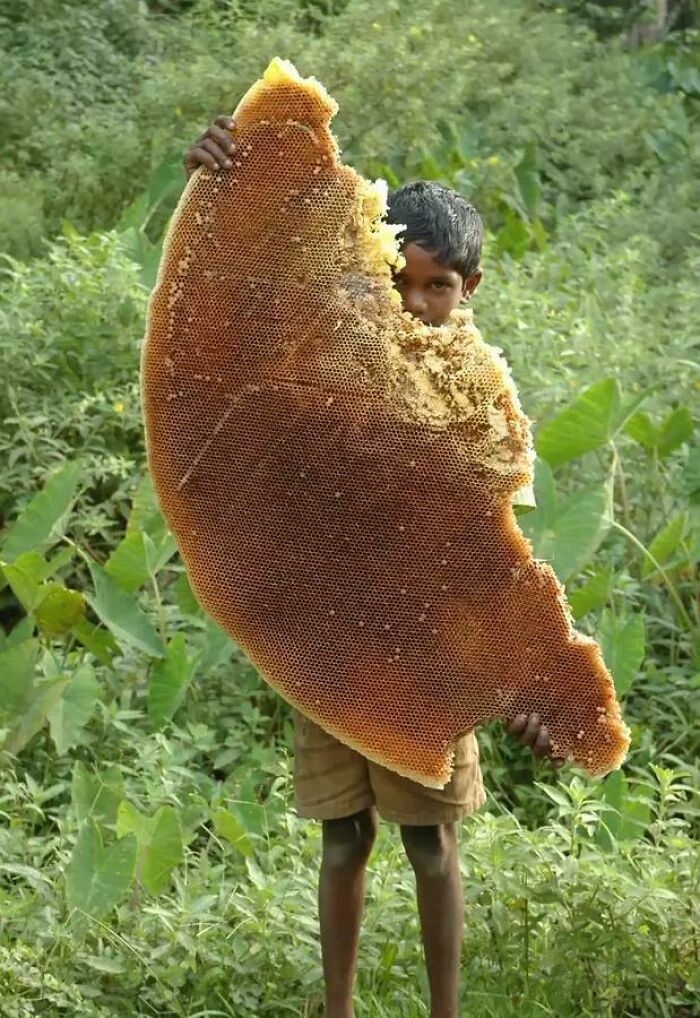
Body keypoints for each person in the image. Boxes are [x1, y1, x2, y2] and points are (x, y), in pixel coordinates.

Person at [184, 118, 563, 1018]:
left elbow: (491, 556)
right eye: (400, 282)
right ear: (373, 265)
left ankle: (445, 1012)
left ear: (470, 288)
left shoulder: (481, 402)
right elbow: (235, 311)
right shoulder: (328, 353)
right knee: (343, 842)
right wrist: (214, 189)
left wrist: (524, 678)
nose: (417, 303)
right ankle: (339, 1008)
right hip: (329, 650)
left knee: (431, 847)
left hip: (431, 657)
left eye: (438, 288)